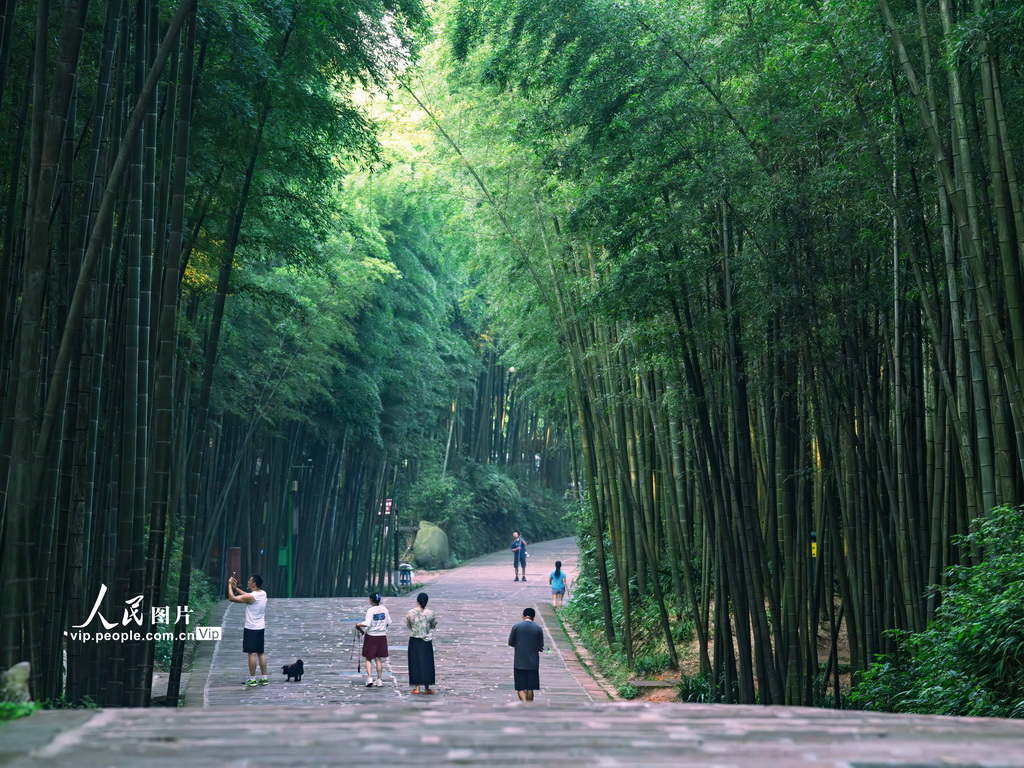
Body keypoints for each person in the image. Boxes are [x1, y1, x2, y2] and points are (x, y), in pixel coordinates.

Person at [227, 574, 268, 686]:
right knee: (261, 653)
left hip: (251, 628)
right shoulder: (263, 594)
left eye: (250, 580)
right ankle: (264, 678)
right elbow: (249, 596)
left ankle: (252, 679)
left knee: (251, 654)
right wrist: (236, 588)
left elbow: (232, 598)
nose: (248, 582)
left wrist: (230, 585)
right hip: (260, 627)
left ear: (254, 583)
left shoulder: (251, 597)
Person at [507, 607, 545, 702]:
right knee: (530, 688)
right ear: (533, 617)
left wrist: (519, 645)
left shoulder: (516, 626)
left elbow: (510, 642)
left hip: (519, 662)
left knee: (520, 688)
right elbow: (540, 647)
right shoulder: (538, 628)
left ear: (523, 616)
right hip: (533, 663)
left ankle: (525, 705)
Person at [355, 592, 391, 687]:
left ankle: (370, 678)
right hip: (382, 636)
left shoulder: (371, 610)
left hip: (371, 636)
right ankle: (379, 680)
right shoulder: (384, 609)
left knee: (368, 658)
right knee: (378, 658)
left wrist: (359, 624)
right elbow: (388, 622)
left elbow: (367, 623)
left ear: (371, 600)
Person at [406, 592, 437, 694]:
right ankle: (427, 688)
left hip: (414, 640)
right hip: (426, 641)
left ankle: (417, 688)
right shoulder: (430, 613)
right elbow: (433, 625)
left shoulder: (411, 612)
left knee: (415, 663)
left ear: (417, 601)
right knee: (426, 664)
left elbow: (409, 625)